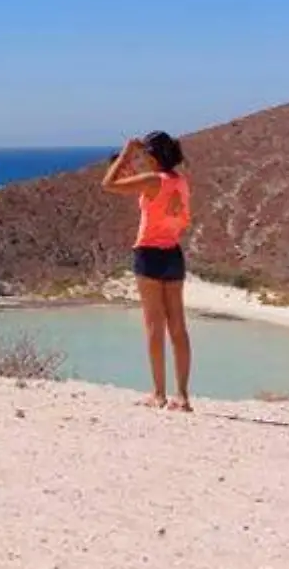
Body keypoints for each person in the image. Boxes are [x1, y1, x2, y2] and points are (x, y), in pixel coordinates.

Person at [102, 131, 194, 411]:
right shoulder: (180, 182)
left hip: (149, 254)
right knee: (177, 326)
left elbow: (108, 183)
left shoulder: (152, 181)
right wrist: (134, 164)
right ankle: (183, 396)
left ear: (153, 157)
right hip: (173, 253)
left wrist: (127, 151)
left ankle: (158, 393)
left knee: (154, 326)